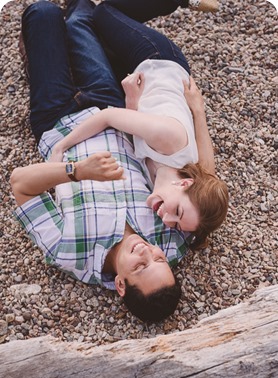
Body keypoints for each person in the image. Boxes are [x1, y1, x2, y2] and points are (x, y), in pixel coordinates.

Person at [11, 0, 193, 323]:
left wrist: (76, 171)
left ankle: (38, 56)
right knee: (82, 15)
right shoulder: (172, 238)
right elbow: (206, 188)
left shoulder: (70, 253)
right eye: (159, 260)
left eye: (140, 267)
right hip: (111, 108)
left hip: (56, 121)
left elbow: (21, 184)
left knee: (43, 14)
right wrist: (199, 112)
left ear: (120, 285)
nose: (147, 253)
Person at [50, 0, 229, 250]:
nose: (166, 219)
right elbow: (107, 117)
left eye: (175, 226)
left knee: (85, 28)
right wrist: (60, 147)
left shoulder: (180, 178)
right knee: (104, 12)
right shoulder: (171, 140)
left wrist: (132, 102)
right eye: (177, 211)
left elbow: (209, 172)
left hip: (137, 85)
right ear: (185, 184)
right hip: (158, 60)